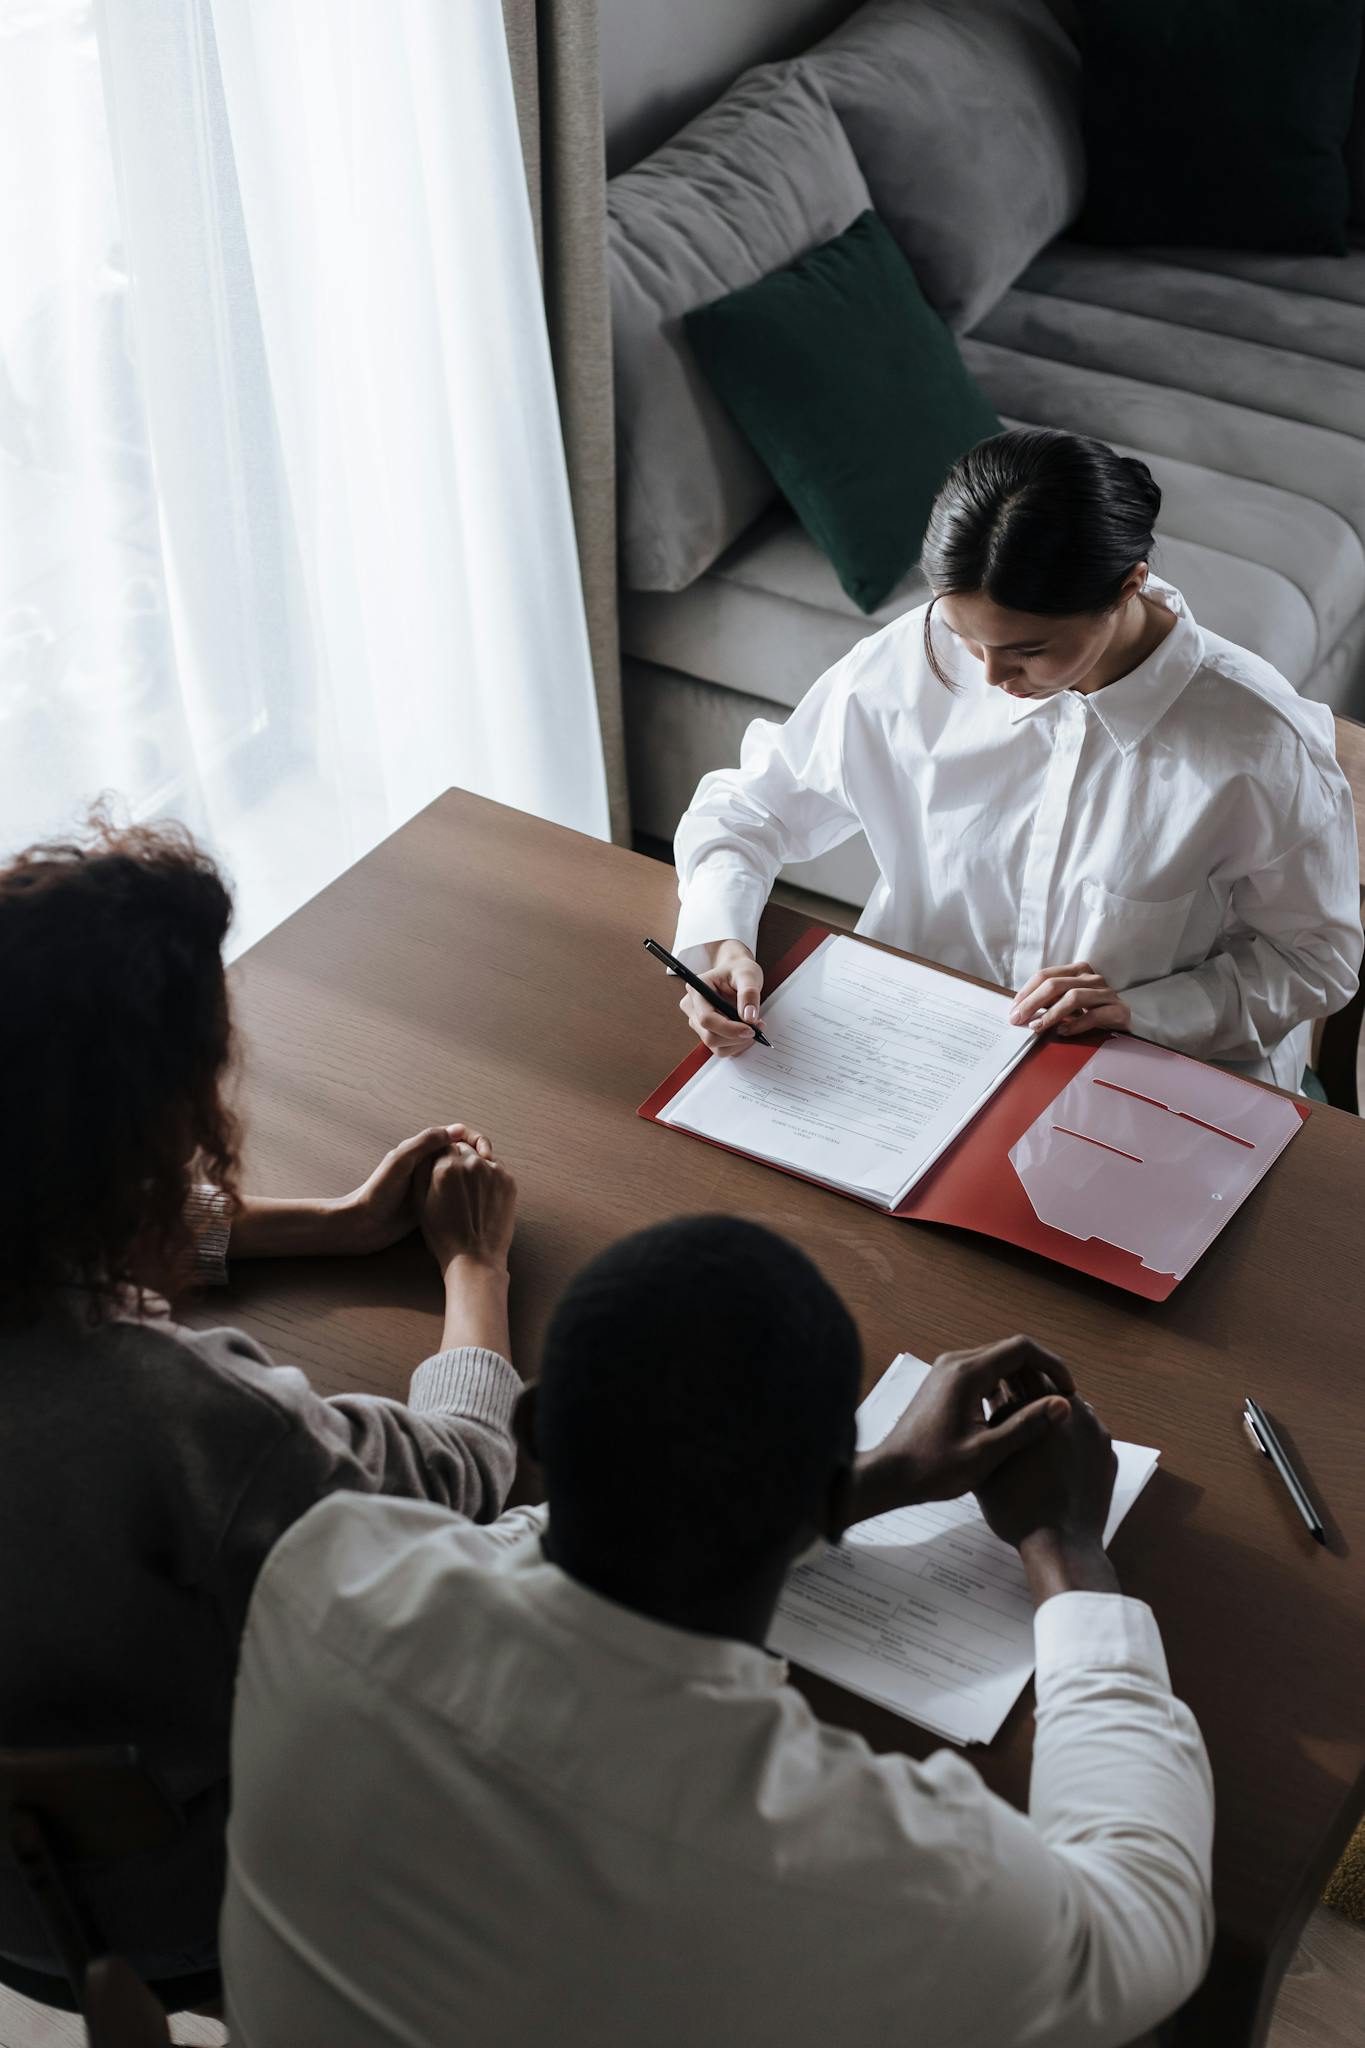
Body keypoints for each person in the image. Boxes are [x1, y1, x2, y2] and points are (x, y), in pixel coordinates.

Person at [222, 1216, 1214, 2048]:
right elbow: (1140, 1924)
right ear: (822, 1500)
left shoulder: (323, 1567)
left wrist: (870, 1479)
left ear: (531, 1432)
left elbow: (513, 1539)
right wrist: (1067, 1545)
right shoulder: (865, 1872)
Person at [0, 816, 519, 1995]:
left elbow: (50, 1232)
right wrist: (473, 1266)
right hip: (197, 1902)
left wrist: (330, 1222)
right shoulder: (179, 1415)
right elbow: (458, 1481)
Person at [671, 427, 1362, 1092]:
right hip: (915, 1054)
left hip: (1146, 1080)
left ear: (1128, 587)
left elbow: (1317, 962)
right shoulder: (912, 659)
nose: (989, 674)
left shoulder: (1261, 745)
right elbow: (749, 808)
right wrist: (722, 942)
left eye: (1027, 650)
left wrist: (1143, 1011)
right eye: (964, 635)